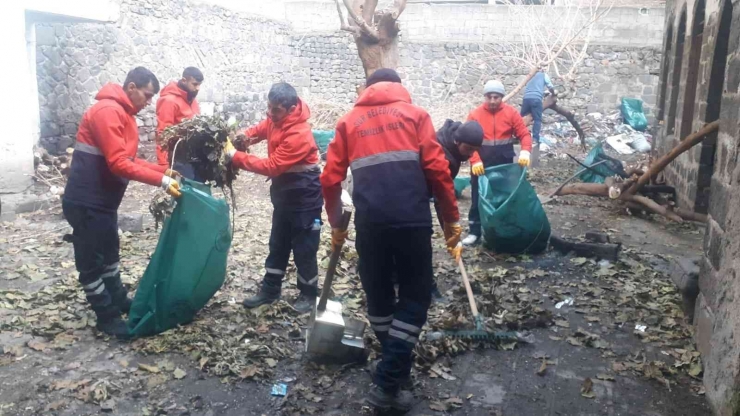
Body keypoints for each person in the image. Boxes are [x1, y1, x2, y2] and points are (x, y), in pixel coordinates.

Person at [321, 69, 462, 411]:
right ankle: (386, 383)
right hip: (412, 222)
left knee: (379, 296)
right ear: (400, 87)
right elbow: (439, 171)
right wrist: (450, 220)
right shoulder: (416, 116)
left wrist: (337, 222)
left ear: (366, 90)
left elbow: (329, 179)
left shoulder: (348, 122)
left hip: (371, 225)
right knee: (415, 298)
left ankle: (394, 367)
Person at [63, 67, 182, 338]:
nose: (149, 102)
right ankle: (106, 315)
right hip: (86, 201)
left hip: (103, 201)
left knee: (110, 253)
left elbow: (128, 159)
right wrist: (161, 182)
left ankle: (118, 300)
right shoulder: (107, 111)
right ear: (131, 87)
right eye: (147, 95)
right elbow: (118, 163)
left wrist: (162, 172)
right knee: (91, 261)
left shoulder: (125, 115)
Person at [224, 82, 323, 314]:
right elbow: (258, 130)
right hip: (283, 195)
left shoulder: (299, 134)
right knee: (277, 243)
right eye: (268, 108)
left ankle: (309, 294)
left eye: (275, 110)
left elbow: (272, 166)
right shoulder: (274, 118)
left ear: (290, 109)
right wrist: (241, 137)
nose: (270, 114)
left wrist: (235, 156)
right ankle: (270, 290)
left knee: (304, 247)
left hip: (305, 197)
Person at [463, 80, 533, 246]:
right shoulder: (475, 115)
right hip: (481, 165)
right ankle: (474, 232)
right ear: (485, 97)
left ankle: (503, 230)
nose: (493, 100)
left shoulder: (511, 113)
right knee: (477, 197)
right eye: (489, 96)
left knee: (504, 197)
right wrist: (475, 160)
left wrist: (525, 151)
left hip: (504, 164)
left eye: (496, 97)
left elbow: (524, 134)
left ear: (502, 97)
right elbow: (465, 141)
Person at [429, 119, 483, 301]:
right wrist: (450, 232)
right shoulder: (444, 156)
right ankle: (427, 288)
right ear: (457, 141)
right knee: (419, 236)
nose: (470, 155)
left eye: (474, 150)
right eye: (468, 149)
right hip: (407, 192)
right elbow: (442, 197)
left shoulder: (450, 142)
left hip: (418, 190)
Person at [156, 67, 204, 179]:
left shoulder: (192, 100)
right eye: (195, 84)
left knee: (199, 190)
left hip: (194, 156)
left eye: (199, 85)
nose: (198, 88)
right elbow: (162, 133)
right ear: (184, 80)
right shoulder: (169, 101)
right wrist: (163, 165)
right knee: (185, 191)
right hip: (178, 158)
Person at [520, 67, 555, 147]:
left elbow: (532, 88)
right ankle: (535, 139)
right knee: (537, 119)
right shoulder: (543, 75)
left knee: (521, 119)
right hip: (536, 100)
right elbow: (550, 86)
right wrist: (553, 93)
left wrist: (542, 93)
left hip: (526, 99)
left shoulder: (531, 75)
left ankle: (519, 136)